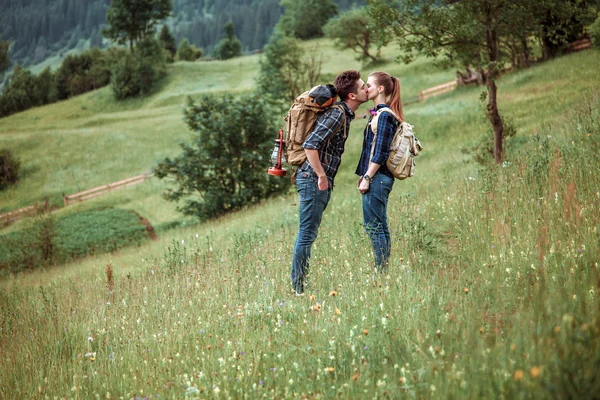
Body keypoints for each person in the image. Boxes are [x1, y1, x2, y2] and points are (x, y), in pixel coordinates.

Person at [291, 70, 368, 295]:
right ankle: (298, 288)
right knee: (306, 234)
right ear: (352, 96)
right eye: (363, 87)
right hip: (312, 180)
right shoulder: (337, 114)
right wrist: (322, 176)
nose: (366, 89)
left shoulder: (345, 114)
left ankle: (299, 285)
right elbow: (310, 145)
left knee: (309, 233)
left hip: (315, 181)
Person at [355, 71, 405, 273]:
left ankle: (381, 270)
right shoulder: (379, 114)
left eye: (369, 85)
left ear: (381, 89)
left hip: (378, 177)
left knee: (374, 227)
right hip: (378, 178)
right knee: (379, 226)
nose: (366, 89)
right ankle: (383, 269)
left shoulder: (384, 115)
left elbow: (381, 151)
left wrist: (367, 177)